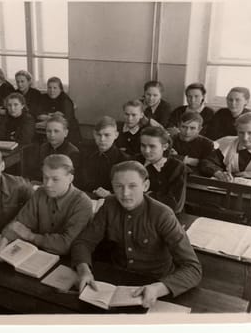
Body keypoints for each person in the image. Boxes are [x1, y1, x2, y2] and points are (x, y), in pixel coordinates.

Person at [70, 161, 202, 308]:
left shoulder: (162, 214)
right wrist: (83, 270)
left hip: (155, 282)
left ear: (145, 186)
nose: (125, 193)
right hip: (117, 278)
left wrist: (159, 289)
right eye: (119, 186)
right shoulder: (109, 205)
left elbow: (193, 268)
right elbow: (83, 242)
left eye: (132, 186)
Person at [0, 154, 93, 256]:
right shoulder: (40, 193)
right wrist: (4, 241)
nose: (48, 184)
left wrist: (30, 236)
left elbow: (64, 245)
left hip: (67, 262)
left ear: (70, 178)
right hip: (36, 254)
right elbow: (19, 223)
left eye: (55, 179)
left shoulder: (83, 204)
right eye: (45, 177)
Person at [200, 112, 251, 184]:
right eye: (241, 132)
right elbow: (207, 162)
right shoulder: (227, 143)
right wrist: (218, 173)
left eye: (250, 133)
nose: (245, 138)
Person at [137, 126, 187, 214]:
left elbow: (174, 204)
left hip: (165, 217)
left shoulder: (176, 167)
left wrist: (141, 196)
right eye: (143, 145)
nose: (147, 151)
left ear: (164, 146)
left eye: (152, 146)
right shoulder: (135, 161)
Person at [78, 116, 129, 198]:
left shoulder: (124, 160)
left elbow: (125, 188)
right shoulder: (85, 154)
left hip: (111, 200)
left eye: (107, 135)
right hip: (85, 197)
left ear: (116, 135)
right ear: (94, 134)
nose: (102, 139)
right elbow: (79, 180)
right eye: (99, 135)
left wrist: (111, 194)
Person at [36, 77, 82, 146]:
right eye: (49, 88)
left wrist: (46, 116)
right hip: (49, 129)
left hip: (68, 131)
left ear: (60, 89)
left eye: (55, 88)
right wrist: (52, 116)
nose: (52, 91)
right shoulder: (44, 97)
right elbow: (37, 113)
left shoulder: (65, 100)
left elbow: (65, 119)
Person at [37, 114, 80, 180]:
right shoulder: (43, 147)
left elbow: (71, 179)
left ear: (65, 133)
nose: (52, 135)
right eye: (49, 131)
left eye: (56, 131)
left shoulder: (72, 152)